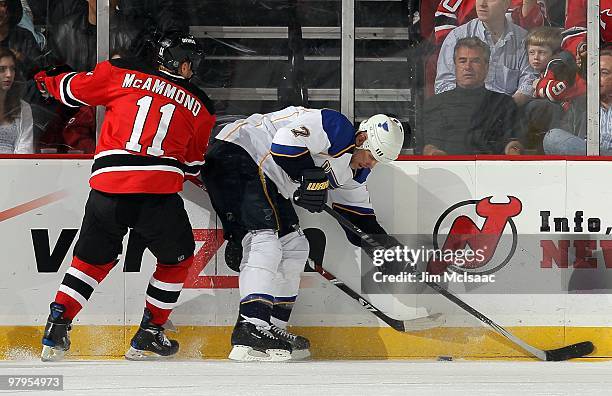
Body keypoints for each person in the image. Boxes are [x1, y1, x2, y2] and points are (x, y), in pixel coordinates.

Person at [34, 33, 216, 361]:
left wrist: (48, 76)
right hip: (157, 196)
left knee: (89, 262)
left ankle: (56, 326)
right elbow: (191, 167)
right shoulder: (202, 106)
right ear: (184, 64)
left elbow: (69, 91)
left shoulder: (121, 73)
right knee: (178, 260)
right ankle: (150, 333)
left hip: (108, 189)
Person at [202, 107, 406, 361]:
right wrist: (310, 177)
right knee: (264, 240)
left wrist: (384, 249)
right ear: (362, 138)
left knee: (296, 246)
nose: (371, 164)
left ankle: (272, 326)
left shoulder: (351, 173)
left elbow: (359, 219)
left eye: (378, 161)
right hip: (237, 153)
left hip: (265, 176)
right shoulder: (337, 127)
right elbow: (285, 143)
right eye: (372, 156)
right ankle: (250, 327)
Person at [422, 37, 522, 155]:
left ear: (487, 67)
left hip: (492, 169)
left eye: (475, 61)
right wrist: (434, 154)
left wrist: (513, 150)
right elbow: (428, 146)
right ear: (455, 66)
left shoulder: (504, 103)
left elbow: (513, 143)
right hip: (448, 170)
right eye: (462, 61)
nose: (468, 67)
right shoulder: (435, 104)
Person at [435, 0, 537, 107]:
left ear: (506, 4)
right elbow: (444, 84)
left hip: (508, 112)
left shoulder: (523, 39)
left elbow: (530, 80)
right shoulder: (457, 36)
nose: (482, 4)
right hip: (465, 111)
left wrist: (507, 107)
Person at [543, 50, 612, 155]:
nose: (596, 77)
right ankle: (600, 160)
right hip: (583, 164)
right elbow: (567, 140)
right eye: (594, 72)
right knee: (553, 137)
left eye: (603, 73)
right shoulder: (579, 104)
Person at [434, 0, 547, 45]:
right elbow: (445, 45)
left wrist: (528, 5)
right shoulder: (452, 4)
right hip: (468, 75)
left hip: (513, 74)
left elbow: (536, 37)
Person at [0, 46, 32, 153]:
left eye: (12, 69)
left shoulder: (23, 108)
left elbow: (26, 148)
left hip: (14, 167)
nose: (9, 75)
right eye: (2, 69)